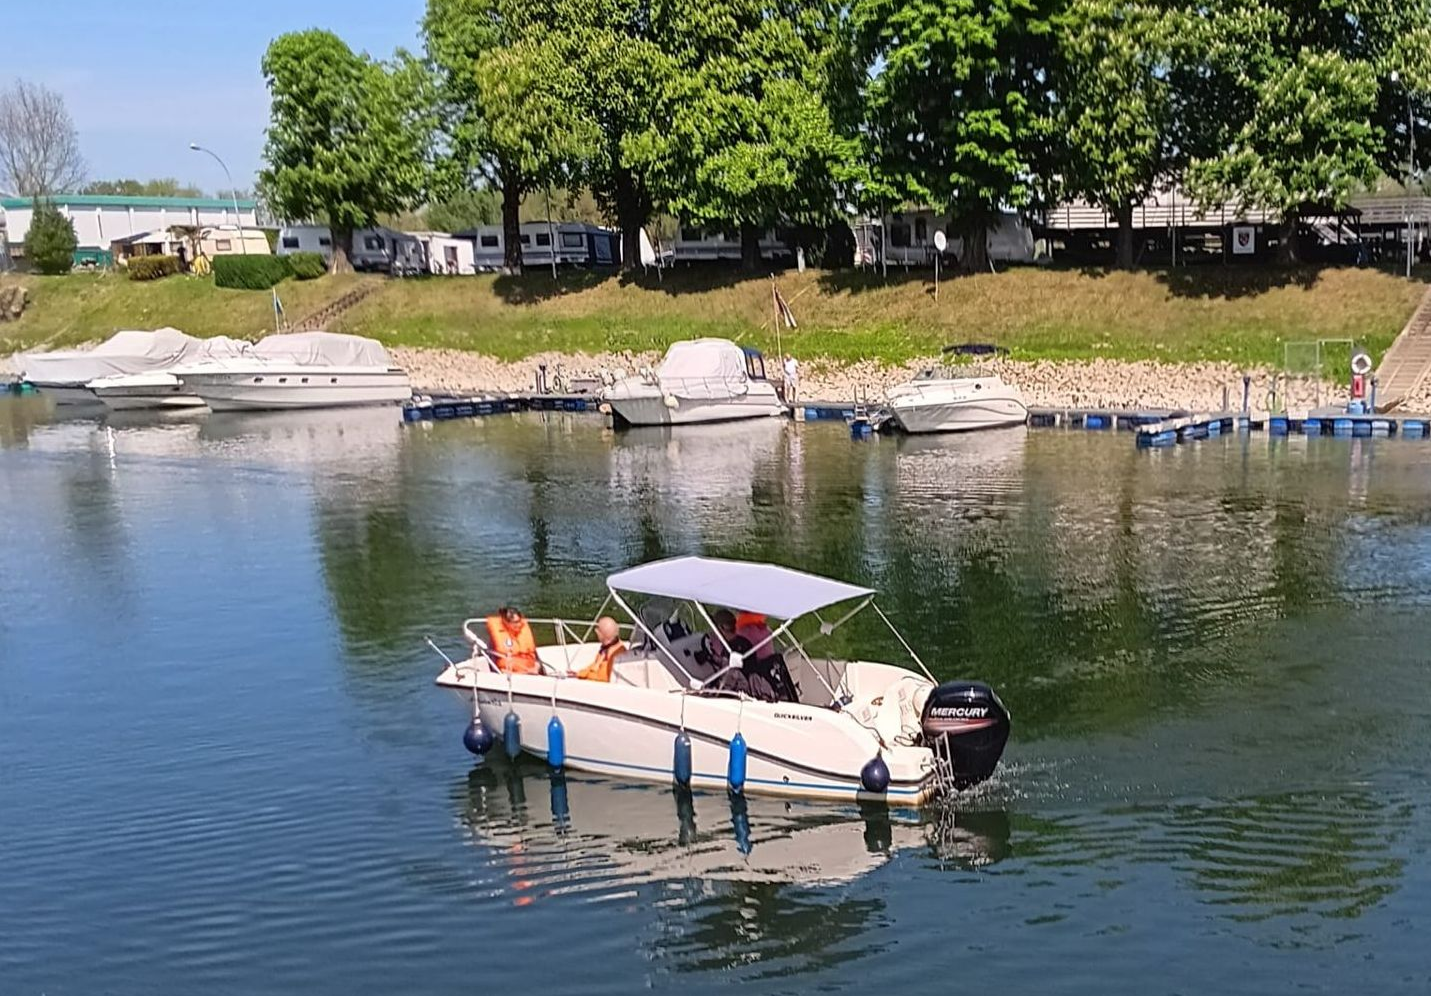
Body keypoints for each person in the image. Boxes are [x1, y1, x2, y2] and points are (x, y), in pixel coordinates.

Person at [484, 606, 540, 674]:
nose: (519, 625)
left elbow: (536, 657)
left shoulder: (524, 631)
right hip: (510, 675)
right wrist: (522, 673)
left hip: (531, 671)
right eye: (515, 622)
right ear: (506, 622)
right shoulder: (496, 637)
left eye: (519, 621)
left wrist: (535, 669)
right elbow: (495, 665)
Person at [572, 616, 625, 682]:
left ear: (603, 634)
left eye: (598, 629)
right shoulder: (606, 648)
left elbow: (603, 678)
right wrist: (580, 673)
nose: (595, 630)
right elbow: (595, 665)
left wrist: (587, 675)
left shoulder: (614, 655)